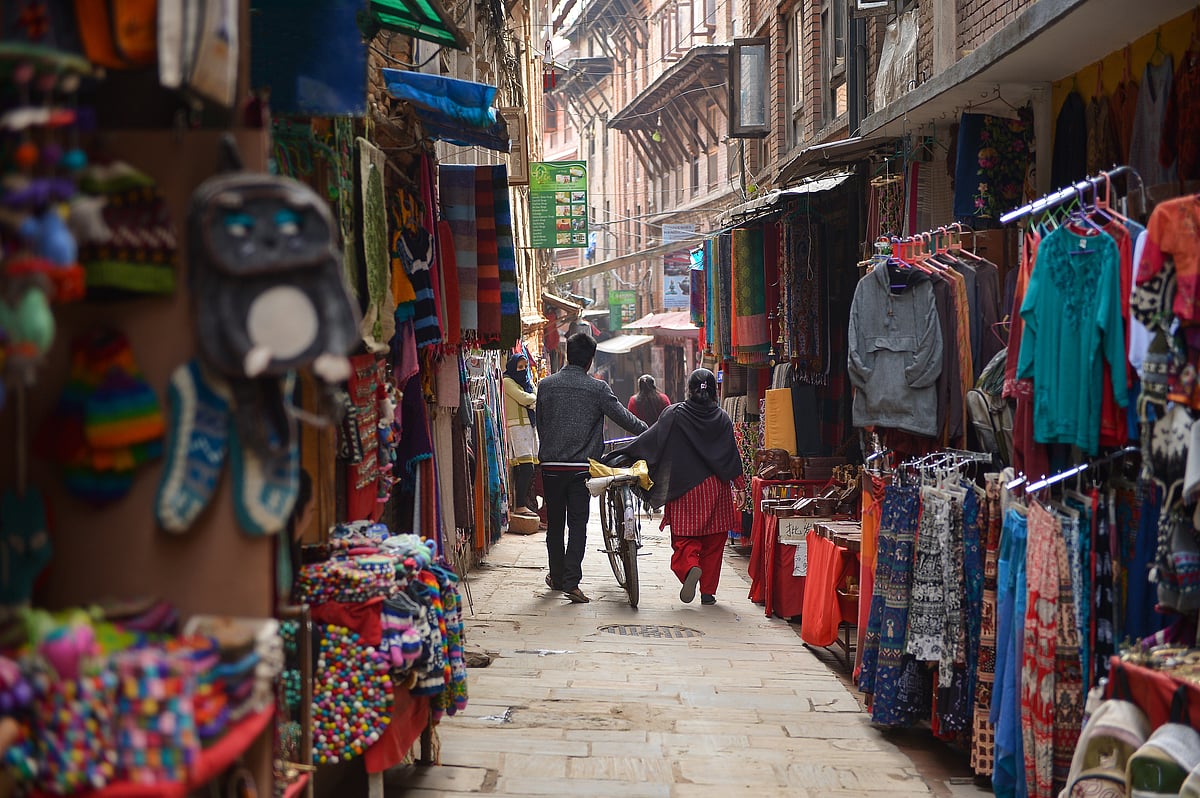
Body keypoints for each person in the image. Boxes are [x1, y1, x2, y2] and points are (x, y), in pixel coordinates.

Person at [612, 368, 744, 606]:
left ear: (689, 390)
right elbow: (732, 454)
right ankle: (708, 593)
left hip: (685, 490)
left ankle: (690, 568)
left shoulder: (676, 413)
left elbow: (651, 440)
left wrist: (624, 455)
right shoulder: (723, 417)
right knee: (714, 544)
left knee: (685, 540)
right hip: (717, 490)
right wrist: (741, 487)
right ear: (714, 391)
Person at [536, 332, 648, 603]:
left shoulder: (546, 385)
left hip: (551, 465)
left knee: (555, 526)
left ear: (565, 354)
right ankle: (571, 582)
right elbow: (624, 418)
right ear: (590, 361)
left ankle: (558, 575)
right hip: (580, 468)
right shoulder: (597, 388)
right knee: (578, 525)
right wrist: (648, 431)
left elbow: (541, 422)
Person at [502, 353, 538, 516]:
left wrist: (532, 400)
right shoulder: (507, 381)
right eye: (519, 367)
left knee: (527, 467)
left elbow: (535, 396)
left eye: (525, 367)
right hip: (517, 427)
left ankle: (521, 503)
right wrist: (533, 400)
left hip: (528, 427)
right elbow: (524, 399)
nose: (523, 370)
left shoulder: (526, 382)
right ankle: (520, 505)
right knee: (526, 467)